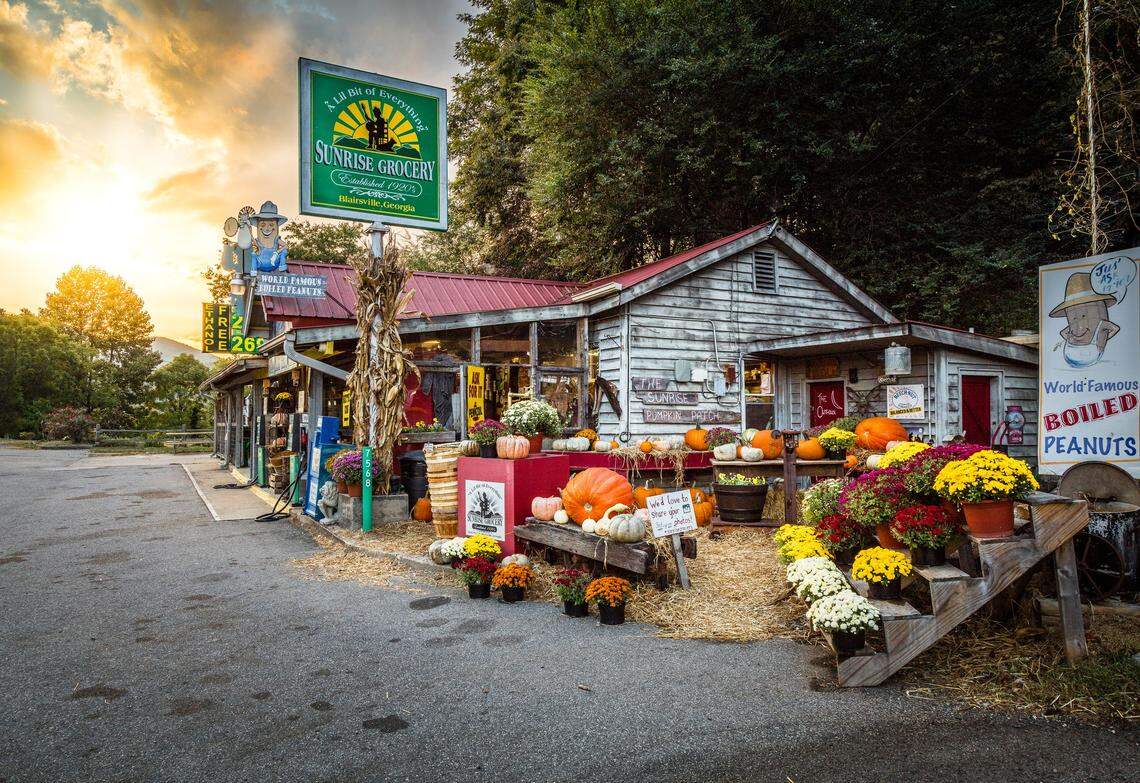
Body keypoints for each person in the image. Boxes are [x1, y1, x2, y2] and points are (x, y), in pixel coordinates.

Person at [1049, 272, 1120, 367]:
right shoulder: (1073, 326)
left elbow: (1115, 328)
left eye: (1083, 315)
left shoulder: (1101, 323)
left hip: (1089, 356)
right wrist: (1072, 339)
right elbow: (1063, 332)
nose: (1077, 318)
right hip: (1071, 355)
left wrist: (1103, 338)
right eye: (1074, 316)